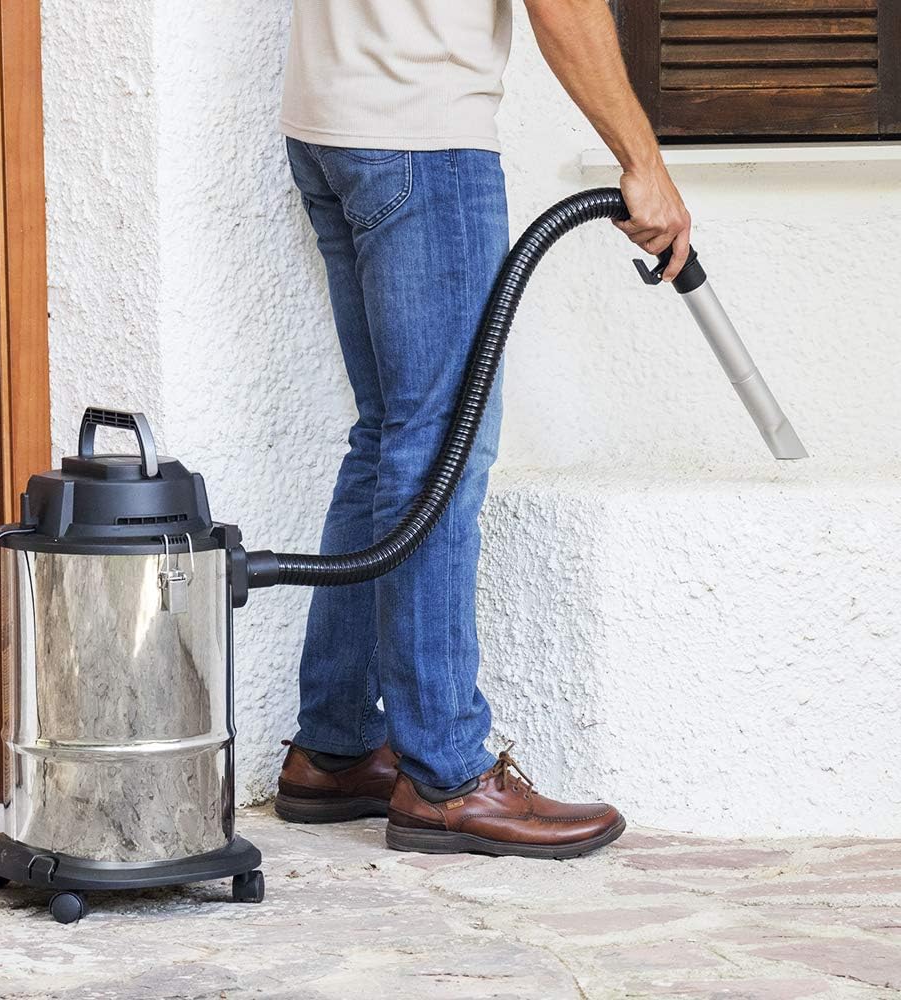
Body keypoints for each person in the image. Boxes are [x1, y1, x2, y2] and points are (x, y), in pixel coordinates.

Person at [274, 0, 691, 859]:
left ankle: (335, 748)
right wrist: (641, 163)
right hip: (421, 138)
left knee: (390, 439)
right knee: (438, 453)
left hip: (327, 125)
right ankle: (447, 776)